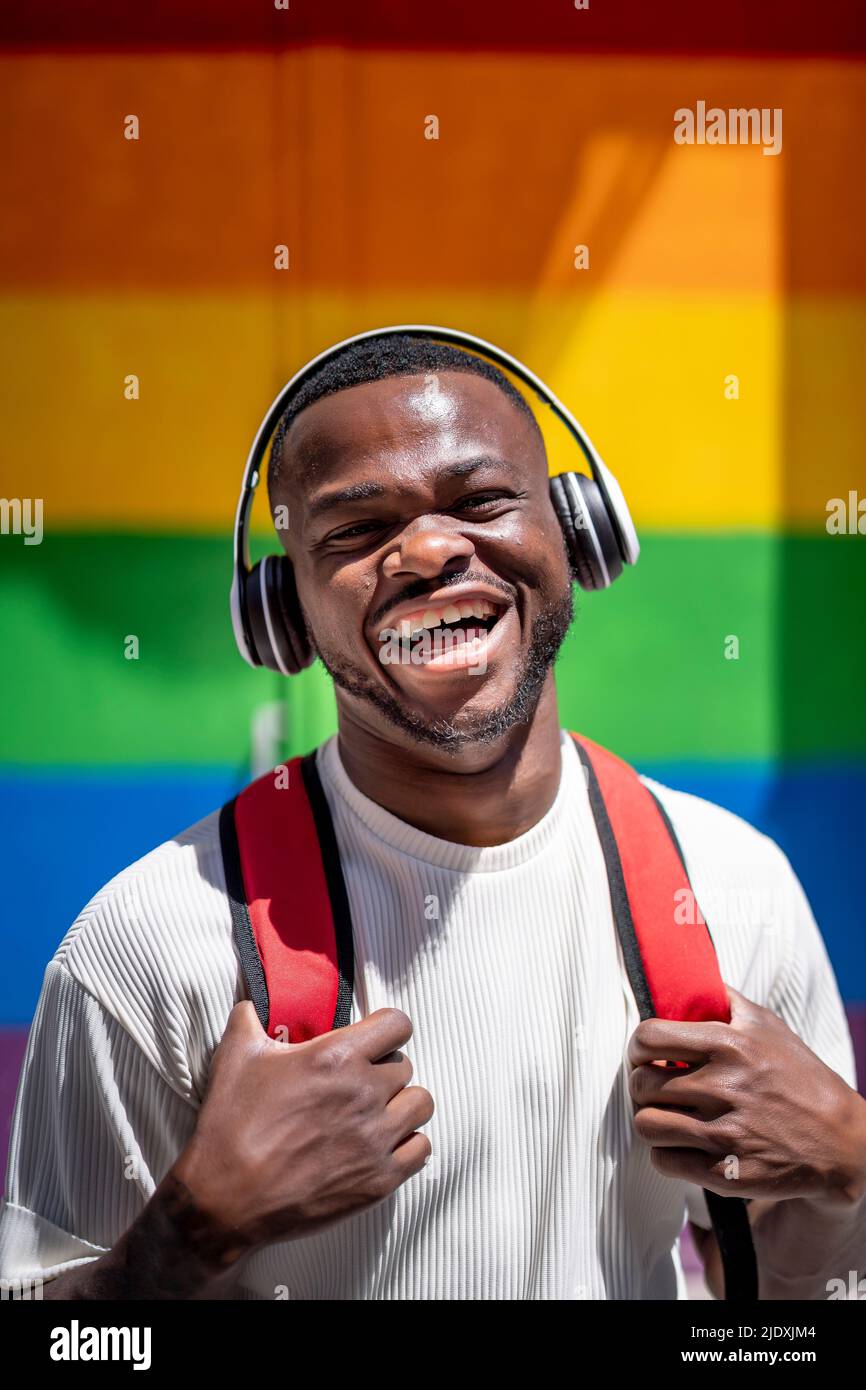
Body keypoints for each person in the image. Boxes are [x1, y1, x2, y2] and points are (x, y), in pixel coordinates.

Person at [1, 333, 864, 1301]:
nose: (426, 550)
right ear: (284, 615)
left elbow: (807, 1306)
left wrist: (847, 1160)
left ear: (575, 533)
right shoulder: (145, 950)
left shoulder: (732, 891)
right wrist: (193, 1227)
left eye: (480, 500)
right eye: (356, 531)